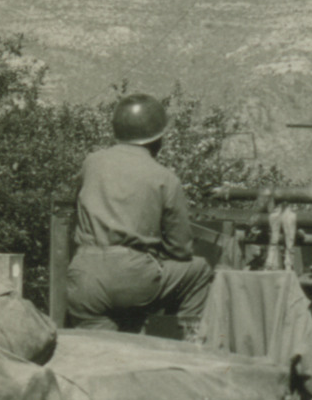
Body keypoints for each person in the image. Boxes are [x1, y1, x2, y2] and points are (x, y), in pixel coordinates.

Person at [60, 93, 215, 335]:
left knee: (100, 352)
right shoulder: (165, 178)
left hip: (84, 278)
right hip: (133, 279)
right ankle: (188, 351)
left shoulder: (92, 162)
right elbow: (181, 250)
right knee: (199, 270)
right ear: (158, 139)